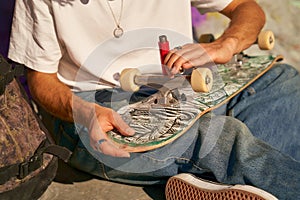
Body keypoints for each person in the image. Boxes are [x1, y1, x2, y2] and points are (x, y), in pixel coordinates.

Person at [8, 0, 300, 199]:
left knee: (283, 84)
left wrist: (227, 44)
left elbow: (244, 7)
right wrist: (82, 111)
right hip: (99, 108)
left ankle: (239, 183)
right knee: (220, 137)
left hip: (182, 88)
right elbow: (41, 79)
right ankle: (258, 177)